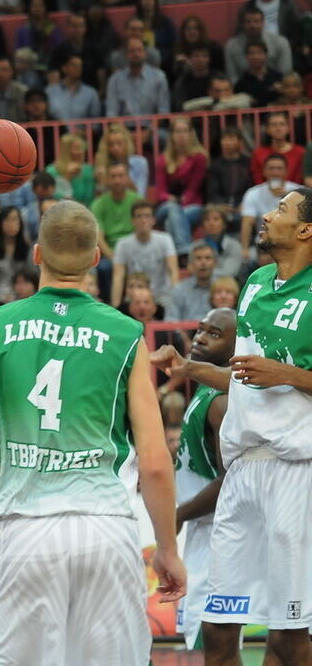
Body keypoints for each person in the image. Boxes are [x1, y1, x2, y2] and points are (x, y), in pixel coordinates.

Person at [0, 200, 186, 665]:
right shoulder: (126, 332)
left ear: (37, 253)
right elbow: (156, 462)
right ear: (96, 259)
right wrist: (166, 548)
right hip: (104, 526)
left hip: (21, 530)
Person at [152, 187, 312, 666]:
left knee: (289, 636)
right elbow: (244, 377)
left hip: (294, 472)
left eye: (280, 209)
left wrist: (289, 375)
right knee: (217, 630)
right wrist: (189, 367)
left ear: (306, 230)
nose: (265, 215)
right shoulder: (258, 281)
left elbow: (273, 375)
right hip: (242, 474)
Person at [166, 309, 236, 652]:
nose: (200, 339)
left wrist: (179, 514)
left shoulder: (221, 402)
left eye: (214, 334)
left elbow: (230, 481)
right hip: (202, 530)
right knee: (200, 642)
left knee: (208, 645)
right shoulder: (205, 391)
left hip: (216, 535)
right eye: (200, 330)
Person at [155, 117, 209, 255]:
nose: (181, 135)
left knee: (171, 219)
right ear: (172, 135)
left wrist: (178, 205)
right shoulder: (163, 159)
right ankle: (184, 249)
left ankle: (174, 253)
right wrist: (171, 199)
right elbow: (160, 193)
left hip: (193, 206)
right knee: (172, 210)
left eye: (185, 131)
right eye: (178, 131)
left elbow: (193, 189)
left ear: (191, 134)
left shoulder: (199, 158)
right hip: (165, 206)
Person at [112, 200, 179, 308]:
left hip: (160, 296)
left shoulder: (165, 239)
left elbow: (173, 272)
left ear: (153, 220)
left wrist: (177, 301)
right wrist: (115, 307)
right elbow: (118, 277)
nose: (143, 220)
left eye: (147, 216)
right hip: (134, 295)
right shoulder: (122, 244)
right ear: (133, 221)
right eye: (139, 216)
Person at [91, 161, 140, 301]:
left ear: (127, 178)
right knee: (104, 268)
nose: (117, 180)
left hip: (134, 249)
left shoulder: (136, 200)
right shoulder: (98, 203)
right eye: (113, 176)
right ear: (107, 179)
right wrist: (114, 257)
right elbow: (98, 237)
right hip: (110, 252)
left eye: (120, 175)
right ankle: (109, 305)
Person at [240, 154, 301, 265]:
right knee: (249, 260)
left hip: (293, 241)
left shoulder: (299, 192)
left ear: (286, 171)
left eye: (279, 168)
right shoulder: (253, 193)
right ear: (264, 171)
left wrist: (288, 196)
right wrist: (244, 249)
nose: (275, 172)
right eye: (271, 168)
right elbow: (247, 223)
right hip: (264, 243)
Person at [105, 36, 170, 118]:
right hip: (123, 129)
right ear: (127, 55)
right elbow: (112, 114)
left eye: (139, 50)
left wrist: (148, 131)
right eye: (132, 51)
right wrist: (123, 131)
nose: (136, 54)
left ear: (145, 54)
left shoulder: (159, 77)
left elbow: (163, 112)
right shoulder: (115, 80)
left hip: (152, 128)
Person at [224, 7, 292, 85]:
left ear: (263, 23)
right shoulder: (231, 46)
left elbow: (286, 74)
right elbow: (232, 77)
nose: (252, 25)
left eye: (256, 21)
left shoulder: (281, 42)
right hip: (243, 91)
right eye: (248, 22)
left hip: (275, 89)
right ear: (242, 24)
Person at [0, 207, 31, 303]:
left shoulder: (26, 247)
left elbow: (28, 277)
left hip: (21, 297)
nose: (11, 224)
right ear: (0, 223)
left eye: (15, 219)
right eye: (7, 220)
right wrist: (2, 297)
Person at [165, 242, 217, 322]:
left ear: (215, 264)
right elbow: (171, 319)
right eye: (198, 258)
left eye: (208, 258)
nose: (203, 263)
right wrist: (181, 334)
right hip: (185, 333)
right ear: (190, 264)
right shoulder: (179, 290)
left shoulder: (223, 289)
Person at [94, 123, 149, 197]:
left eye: (119, 144)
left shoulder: (140, 163)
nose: (115, 148)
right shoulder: (102, 164)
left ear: (127, 144)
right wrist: (102, 182)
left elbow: (140, 195)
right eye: (111, 144)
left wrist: (123, 178)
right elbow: (98, 199)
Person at [250, 111, 305, 185]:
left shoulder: (300, 152)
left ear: (288, 128)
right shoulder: (258, 153)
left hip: (295, 194)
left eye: (282, 124)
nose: (278, 128)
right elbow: (258, 180)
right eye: (273, 125)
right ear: (267, 129)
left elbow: (300, 180)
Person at [44, 55, 101, 121]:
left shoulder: (91, 92)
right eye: (74, 65)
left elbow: (95, 121)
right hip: (56, 131)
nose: (78, 68)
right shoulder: (50, 91)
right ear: (64, 68)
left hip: (82, 131)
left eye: (80, 65)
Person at [45, 133, 95, 206]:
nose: (81, 152)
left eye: (82, 148)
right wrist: (66, 178)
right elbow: (52, 195)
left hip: (83, 210)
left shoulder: (88, 170)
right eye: (77, 149)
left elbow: (89, 197)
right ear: (66, 151)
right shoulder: (52, 171)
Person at [201, 204, 243, 279]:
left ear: (224, 224)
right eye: (207, 219)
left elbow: (230, 272)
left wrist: (205, 270)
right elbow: (192, 270)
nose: (211, 223)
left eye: (216, 219)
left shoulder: (234, 246)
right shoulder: (196, 246)